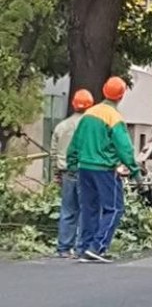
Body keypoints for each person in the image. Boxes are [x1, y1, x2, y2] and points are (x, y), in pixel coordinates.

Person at [67, 76, 142, 263]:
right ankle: (97, 247)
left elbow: (75, 142)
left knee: (89, 208)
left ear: (103, 90)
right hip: (104, 169)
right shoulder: (114, 117)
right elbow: (124, 147)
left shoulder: (89, 114)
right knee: (114, 208)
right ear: (121, 96)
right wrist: (135, 171)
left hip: (84, 168)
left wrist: (71, 164)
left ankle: (84, 247)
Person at [51, 88, 95, 258]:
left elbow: (53, 152)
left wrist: (56, 173)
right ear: (91, 104)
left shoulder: (61, 126)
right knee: (87, 210)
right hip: (86, 171)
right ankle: (82, 247)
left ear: (73, 104)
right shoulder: (92, 125)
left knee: (68, 210)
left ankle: (63, 248)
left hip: (66, 172)